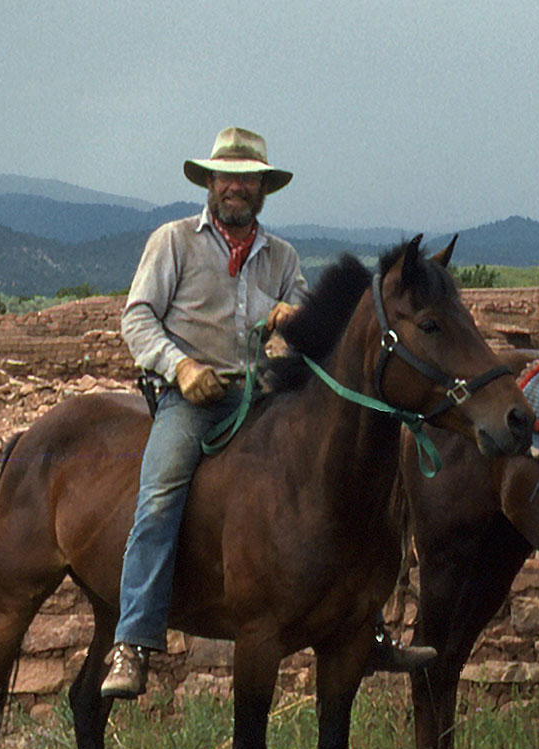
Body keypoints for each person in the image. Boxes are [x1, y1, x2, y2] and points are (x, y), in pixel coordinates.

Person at [103, 126, 431, 699]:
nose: (237, 187)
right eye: (227, 176)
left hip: (261, 393)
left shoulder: (282, 257)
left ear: (262, 191)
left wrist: (291, 319)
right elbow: (137, 319)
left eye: (248, 180)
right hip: (190, 396)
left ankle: (366, 621)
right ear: (210, 182)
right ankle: (132, 640)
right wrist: (181, 368)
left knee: (346, 479)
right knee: (159, 496)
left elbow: (315, 333)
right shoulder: (174, 242)